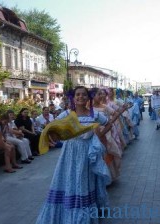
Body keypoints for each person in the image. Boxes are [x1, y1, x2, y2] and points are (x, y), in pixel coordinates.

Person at [36, 86, 126, 223]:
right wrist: (53, 134)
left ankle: (82, 213)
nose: (81, 97)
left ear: (88, 98)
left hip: (87, 153)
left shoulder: (94, 115)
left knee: (83, 179)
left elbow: (108, 124)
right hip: (69, 152)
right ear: (73, 97)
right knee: (69, 177)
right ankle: (69, 210)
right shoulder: (66, 114)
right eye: (77, 94)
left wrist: (99, 134)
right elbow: (52, 127)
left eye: (84, 95)